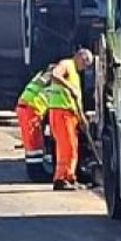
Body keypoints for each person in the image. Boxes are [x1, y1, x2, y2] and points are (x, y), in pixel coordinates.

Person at [45, 48, 94, 191]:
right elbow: (54, 75)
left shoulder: (75, 74)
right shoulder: (66, 65)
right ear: (79, 56)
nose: (85, 67)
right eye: (85, 62)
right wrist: (69, 87)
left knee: (72, 148)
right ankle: (61, 179)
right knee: (66, 148)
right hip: (61, 113)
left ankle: (69, 178)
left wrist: (82, 118)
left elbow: (76, 100)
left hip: (69, 115)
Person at [15, 66, 52, 175]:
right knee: (34, 143)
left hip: (27, 107)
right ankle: (36, 172)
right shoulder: (51, 80)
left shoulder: (40, 77)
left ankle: (35, 170)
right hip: (31, 109)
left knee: (32, 142)